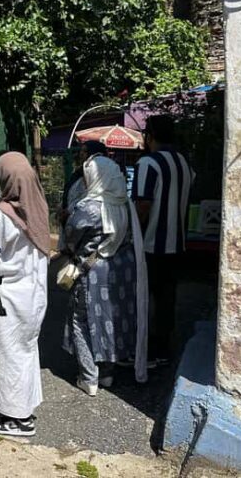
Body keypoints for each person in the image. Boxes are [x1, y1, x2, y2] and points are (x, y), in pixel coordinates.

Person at [62, 155, 149, 395]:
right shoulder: (125, 204)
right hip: (120, 273)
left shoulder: (89, 207)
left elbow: (71, 236)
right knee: (110, 322)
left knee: (81, 322)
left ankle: (89, 377)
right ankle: (108, 374)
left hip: (90, 272)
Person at [0, 152, 50, 437]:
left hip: (7, 296)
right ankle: (24, 407)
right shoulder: (38, 207)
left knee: (7, 354)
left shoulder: (1, 215)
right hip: (34, 294)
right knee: (25, 349)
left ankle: (17, 419)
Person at [132, 115, 194, 365]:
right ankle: (164, 347)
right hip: (177, 241)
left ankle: (144, 348)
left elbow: (143, 205)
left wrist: (132, 233)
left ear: (150, 136)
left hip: (150, 243)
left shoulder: (148, 163)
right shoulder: (184, 163)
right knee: (168, 295)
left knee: (145, 295)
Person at [58, 141, 107, 249]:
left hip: (83, 225)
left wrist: (69, 211)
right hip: (69, 220)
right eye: (81, 151)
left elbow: (89, 196)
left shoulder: (98, 177)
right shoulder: (78, 173)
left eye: (85, 151)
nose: (81, 154)